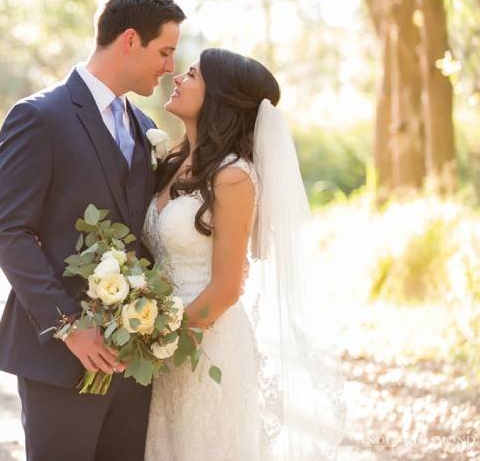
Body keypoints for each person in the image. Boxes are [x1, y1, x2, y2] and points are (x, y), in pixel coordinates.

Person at [0, 0, 185, 461]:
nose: (170, 67)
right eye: (165, 51)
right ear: (130, 40)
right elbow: (8, 233)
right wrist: (69, 324)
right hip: (59, 359)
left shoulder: (141, 124)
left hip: (131, 358)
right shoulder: (39, 117)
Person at [143, 48, 346, 460]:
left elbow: (228, 286)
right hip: (157, 340)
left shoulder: (233, 175)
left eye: (193, 74)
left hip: (204, 343)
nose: (178, 78)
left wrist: (161, 343)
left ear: (218, 96)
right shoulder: (174, 161)